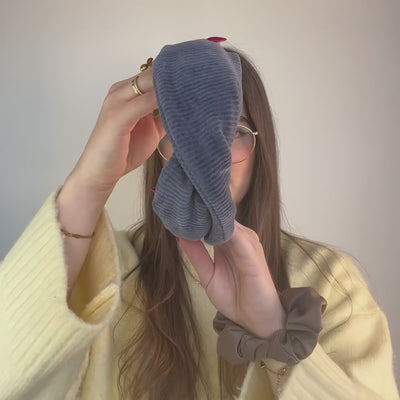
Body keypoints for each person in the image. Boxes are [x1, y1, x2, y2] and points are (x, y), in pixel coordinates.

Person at [0, 39, 398, 400]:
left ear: (261, 149)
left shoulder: (330, 280)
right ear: (158, 145)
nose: (210, 155)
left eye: (234, 130)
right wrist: (89, 184)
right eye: (187, 133)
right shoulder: (101, 273)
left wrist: (274, 333)